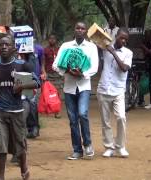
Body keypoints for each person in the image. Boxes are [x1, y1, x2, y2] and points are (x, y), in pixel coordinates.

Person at [0, 34, 40, 180]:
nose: (3, 47)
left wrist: (21, 86)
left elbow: (37, 83)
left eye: (7, 45)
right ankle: (1, 176)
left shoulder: (22, 65)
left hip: (16, 111)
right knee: (0, 143)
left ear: (13, 48)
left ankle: (23, 168)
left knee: (19, 144)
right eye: (1, 44)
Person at [52, 22, 99, 160]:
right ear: (74, 30)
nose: (80, 30)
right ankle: (77, 150)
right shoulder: (66, 46)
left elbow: (95, 67)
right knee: (72, 120)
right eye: (77, 28)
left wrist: (81, 73)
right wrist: (67, 70)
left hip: (84, 86)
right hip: (69, 87)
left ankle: (88, 144)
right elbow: (55, 65)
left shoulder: (91, 47)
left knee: (82, 114)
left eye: (82, 28)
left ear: (85, 31)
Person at [97, 28, 133, 158]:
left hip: (118, 90)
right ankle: (109, 147)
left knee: (121, 117)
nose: (123, 41)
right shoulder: (104, 48)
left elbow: (124, 68)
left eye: (125, 39)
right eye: (121, 38)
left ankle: (120, 146)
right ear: (116, 36)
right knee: (105, 121)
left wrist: (113, 53)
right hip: (103, 89)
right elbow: (95, 39)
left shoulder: (128, 53)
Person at [41, 34, 63, 118]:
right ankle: (49, 109)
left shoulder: (60, 50)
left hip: (58, 74)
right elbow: (43, 63)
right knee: (49, 93)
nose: (52, 40)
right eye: (50, 38)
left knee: (58, 93)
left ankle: (57, 111)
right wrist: (44, 72)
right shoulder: (45, 50)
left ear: (56, 40)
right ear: (48, 40)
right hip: (49, 74)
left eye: (53, 38)